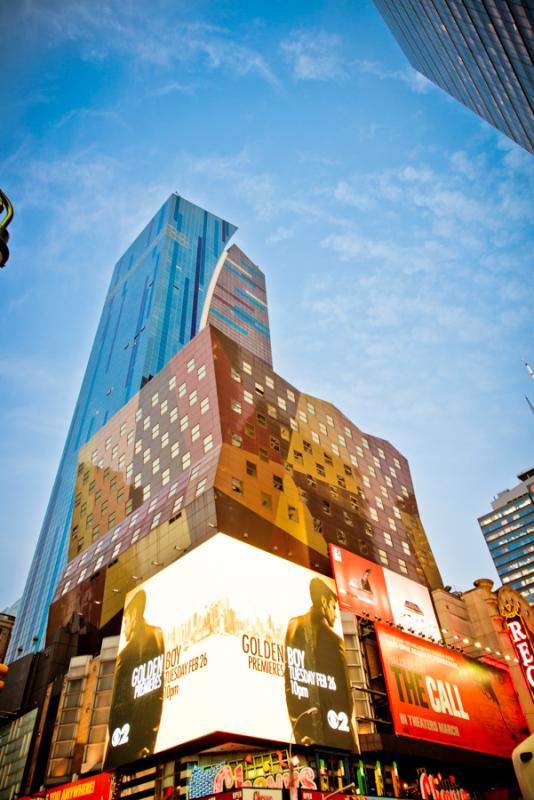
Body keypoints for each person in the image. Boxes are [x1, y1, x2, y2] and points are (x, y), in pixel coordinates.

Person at [285, 577, 355, 750]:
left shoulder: (293, 625)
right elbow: (346, 698)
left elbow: (290, 685)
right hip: (336, 738)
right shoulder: (335, 641)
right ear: (323, 602)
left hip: (304, 736)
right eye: (333, 607)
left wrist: (301, 735)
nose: (336, 614)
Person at [106, 590, 165, 768]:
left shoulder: (124, 655)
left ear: (132, 615)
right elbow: (158, 695)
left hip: (125, 749)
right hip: (147, 743)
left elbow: (116, 710)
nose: (124, 628)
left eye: (124, 621)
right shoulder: (158, 633)